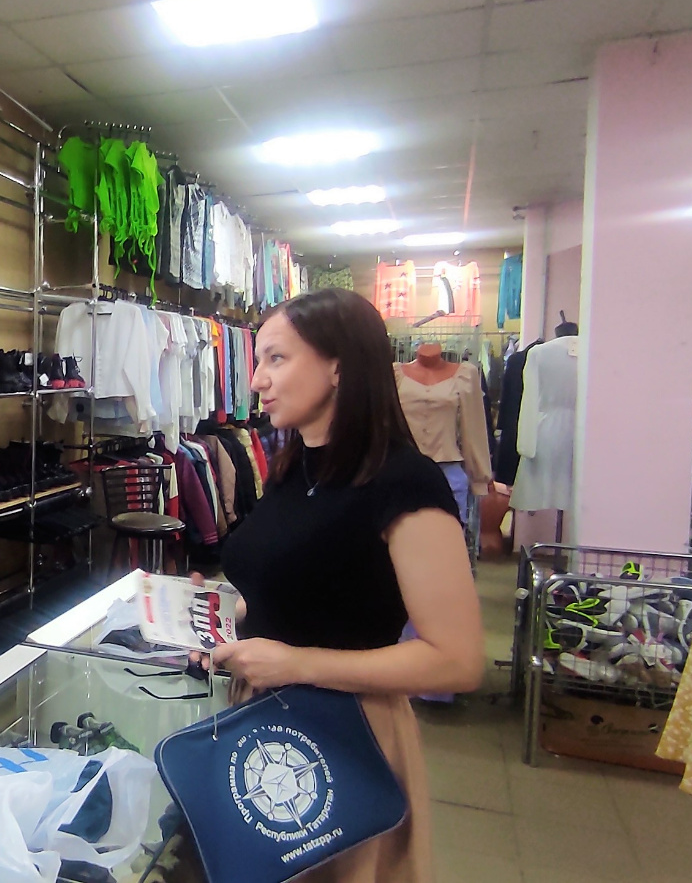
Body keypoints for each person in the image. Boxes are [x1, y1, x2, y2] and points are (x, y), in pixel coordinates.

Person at [198, 288, 485, 882]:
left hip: (349, 735)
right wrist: (223, 611)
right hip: (269, 724)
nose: (257, 380)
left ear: (338, 366)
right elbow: (306, 586)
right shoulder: (296, 466)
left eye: (277, 359)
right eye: (259, 361)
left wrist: (296, 663)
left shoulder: (404, 482)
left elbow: (457, 661)